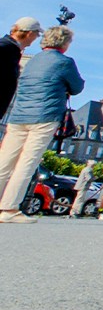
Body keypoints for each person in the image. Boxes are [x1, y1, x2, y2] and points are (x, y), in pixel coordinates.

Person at [0, 25, 85, 223]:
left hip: (19, 115)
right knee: (27, 162)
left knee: (5, 162)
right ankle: (9, 208)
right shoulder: (64, 62)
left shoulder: (32, 60)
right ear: (64, 43)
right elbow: (77, 86)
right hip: (44, 116)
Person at [1, 17, 43, 120]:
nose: (36, 38)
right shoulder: (6, 48)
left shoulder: (10, 49)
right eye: (37, 34)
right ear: (30, 34)